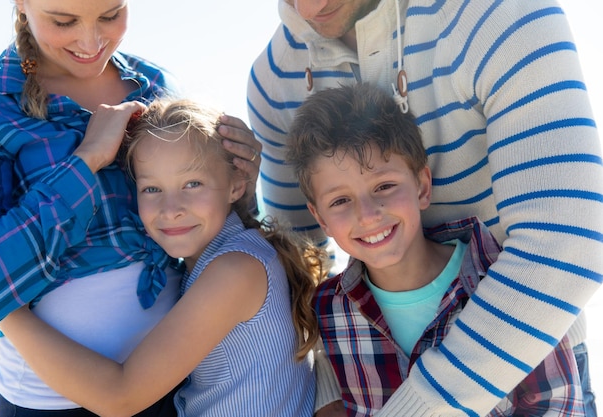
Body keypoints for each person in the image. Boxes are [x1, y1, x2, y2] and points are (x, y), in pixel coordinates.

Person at [247, 0, 602, 415]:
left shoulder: (495, 12)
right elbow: (300, 261)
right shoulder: (273, 80)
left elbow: (566, 243)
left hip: (527, 344)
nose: (309, 7)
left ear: (422, 184)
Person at [0, 0, 262, 415]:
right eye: (64, 20)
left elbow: (197, 228)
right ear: (21, 5)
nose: (91, 41)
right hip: (45, 404)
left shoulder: (153, 84)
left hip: (170, 387)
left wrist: (240, 180)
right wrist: (86, 161)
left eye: (110, 15)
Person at [0, 97, 326, 417]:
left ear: (237, 184)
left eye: (193, 183)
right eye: (152, 189)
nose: (171, 210)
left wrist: (5, 309)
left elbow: (120, 398)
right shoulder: (228, 257)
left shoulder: (236, 270)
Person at [286, 82, 585, 416]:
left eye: (384, 186)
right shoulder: (327, 309)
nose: (368, 214)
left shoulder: (505, 281)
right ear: (320, 219)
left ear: (422, 187)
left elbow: (556, 402)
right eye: (340, 200)